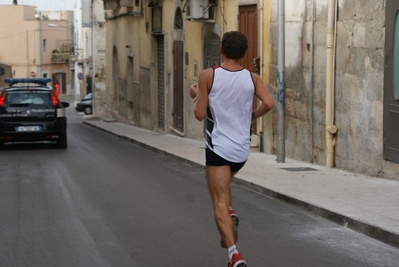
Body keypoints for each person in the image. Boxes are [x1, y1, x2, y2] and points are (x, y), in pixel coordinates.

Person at [190, 31, 274, 267]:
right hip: (241, 151)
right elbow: (269, 103)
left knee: (217, 199)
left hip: (218, 146)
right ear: (244, 54)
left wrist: (196, 95)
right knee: (223, 186)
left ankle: (234, 255)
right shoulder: (253, 77)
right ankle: (230, 211)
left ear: (221, 50)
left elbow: (199, 114)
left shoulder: (208, 75)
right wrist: (251, 118)